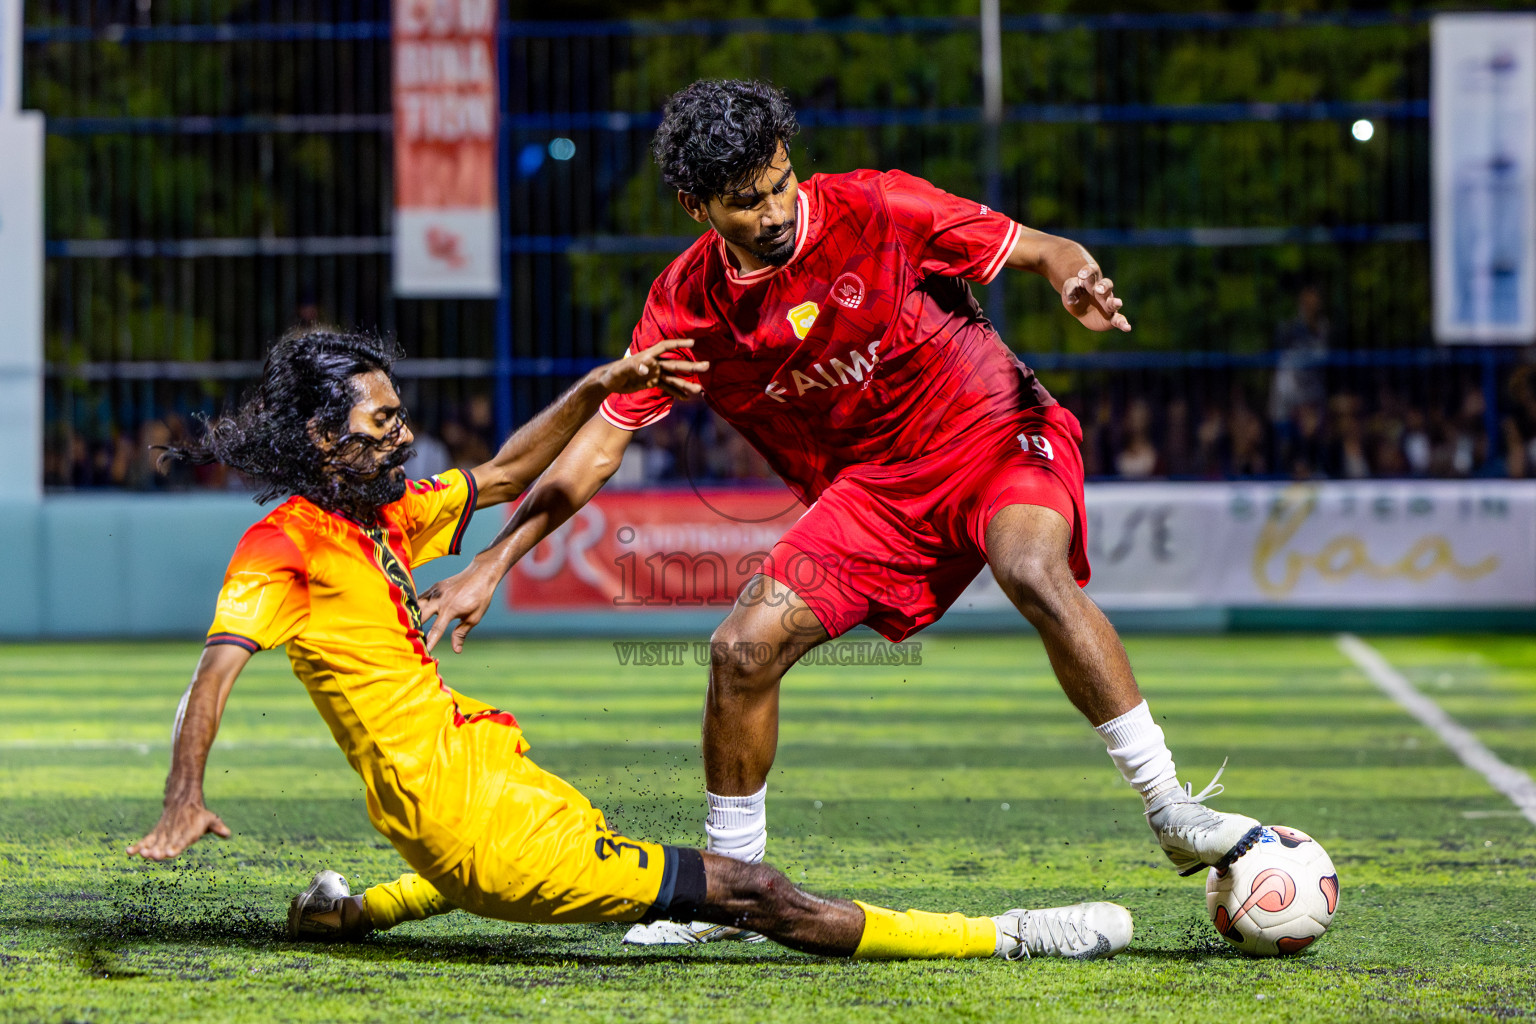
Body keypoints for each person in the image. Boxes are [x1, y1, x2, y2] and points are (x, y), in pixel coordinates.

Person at [417, 79, 1263, 946]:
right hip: (874, 495)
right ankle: (733, 894)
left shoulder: (879, 207)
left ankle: (1172, 810)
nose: (777, 210)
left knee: (1029, 566)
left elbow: (1042, 248)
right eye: (746, 201)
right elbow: (596, 448)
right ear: (695, 205)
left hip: (996, 432)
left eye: (782, 180)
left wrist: (1073, 273)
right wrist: (492, 559)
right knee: (742, 651)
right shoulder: (685, 307)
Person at [125, 326, 1133, 963]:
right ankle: (1009, 935)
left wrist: (605, 386)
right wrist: (183, 797)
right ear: (321, 437)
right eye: (383, 422)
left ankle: (347, 914)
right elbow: (216, 669)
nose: (405, 438)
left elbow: (513, 469)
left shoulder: (377, 514)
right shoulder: (283, 544)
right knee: (755, 895)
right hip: (476, 828)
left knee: (602, 854)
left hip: (492, 780)